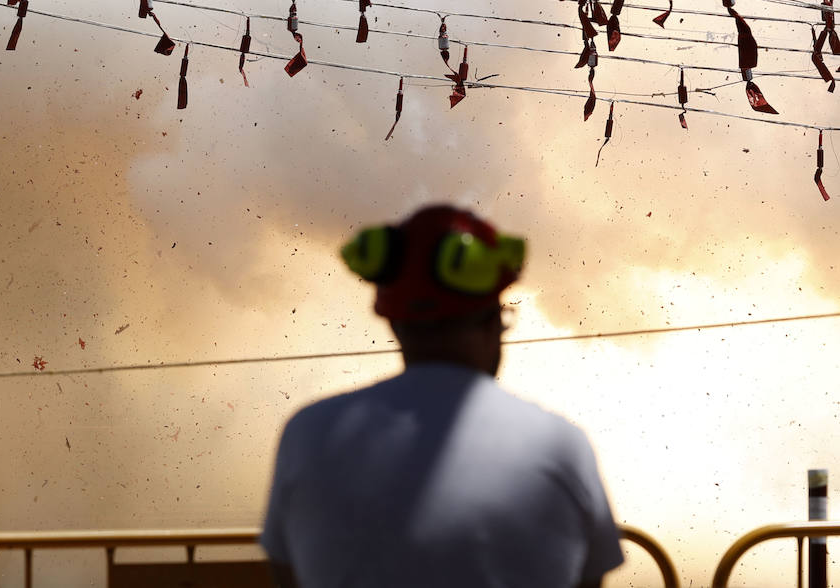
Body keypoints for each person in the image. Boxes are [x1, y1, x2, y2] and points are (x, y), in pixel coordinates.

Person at [261, 205, 623, 588]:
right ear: (490, 320)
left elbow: (288, 578)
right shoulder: (562, 444)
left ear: (396, 324)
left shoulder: (309, 432)